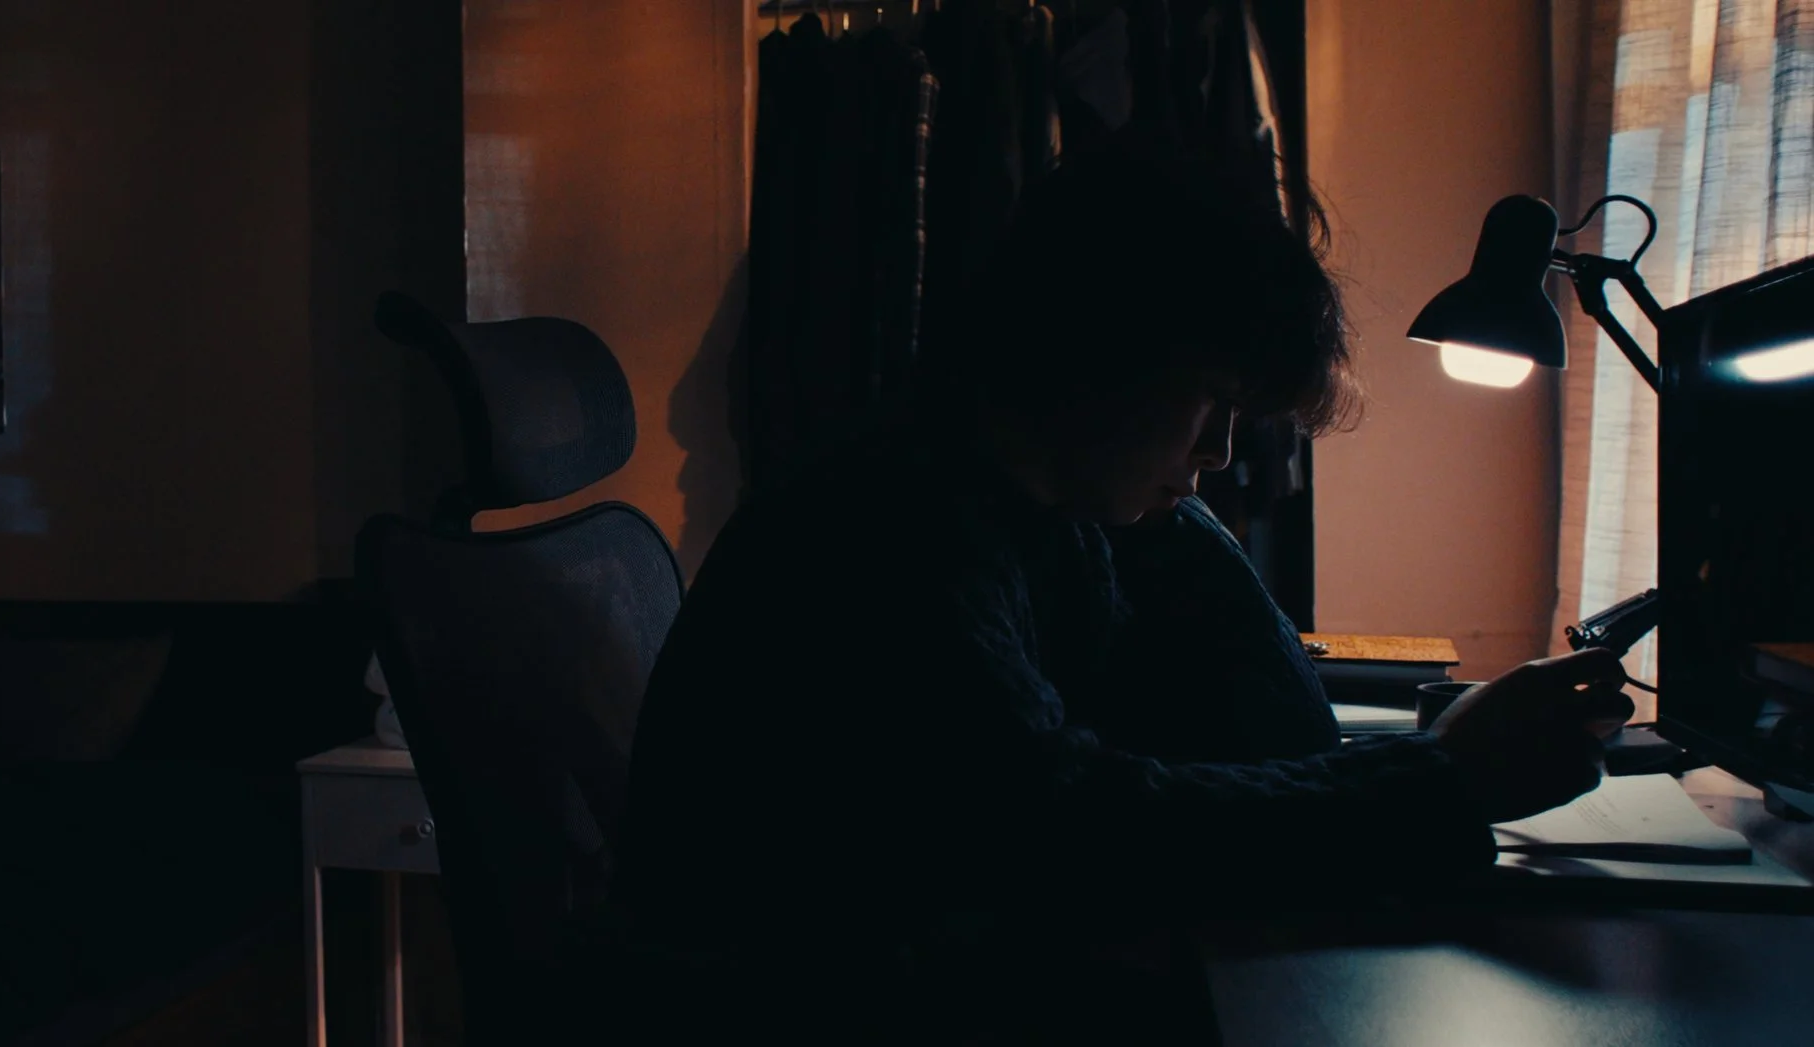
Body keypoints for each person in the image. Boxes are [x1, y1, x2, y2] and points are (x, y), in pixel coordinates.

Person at [606, 138, 1634, 1043]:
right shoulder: (889, 534)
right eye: (1211, 402)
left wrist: (1427, 764)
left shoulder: (1040, 506)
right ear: (1100, 353)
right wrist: (1440, 781)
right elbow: (1074, 833)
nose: (1222, 452)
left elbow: (1275, 737)